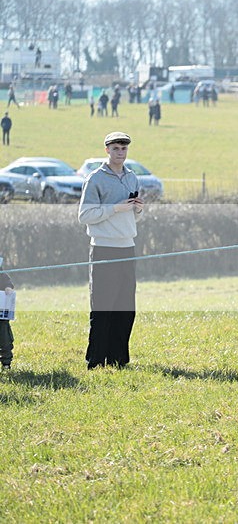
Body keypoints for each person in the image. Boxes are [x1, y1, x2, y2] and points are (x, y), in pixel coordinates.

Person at [78, 131, 144, 369]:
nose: (120, 152)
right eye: (116, 148)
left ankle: (118, 360)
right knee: (103, 307)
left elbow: (135, 216)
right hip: (104, 248)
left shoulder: (132, 177)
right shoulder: (95, 179)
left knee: (126, 309)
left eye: (124, 149)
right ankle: (95, 360)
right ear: (107, 150)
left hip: (128, 248)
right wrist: (114, 208)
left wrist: (137, 209)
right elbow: (84, 215)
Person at [0, 256, 15, 370]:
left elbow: (8, 283)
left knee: (5, 340)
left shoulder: (3, 276)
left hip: (2, 317)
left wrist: (8, 288)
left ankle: (6, 363)